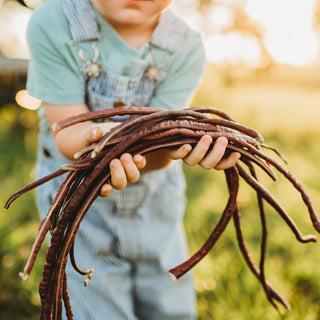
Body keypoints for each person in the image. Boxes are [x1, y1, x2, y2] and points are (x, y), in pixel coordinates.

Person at [26, 0, 240, 319]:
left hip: (155, 207)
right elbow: (67, 131)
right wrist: (99, 142)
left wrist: (183, 146)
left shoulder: (186, 47)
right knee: (95, 305)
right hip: (79, 211)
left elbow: (161, 153)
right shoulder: (54, 23)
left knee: (168, 305)